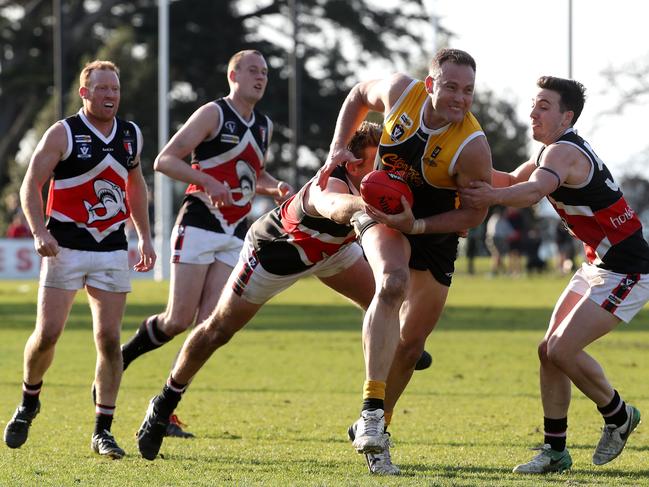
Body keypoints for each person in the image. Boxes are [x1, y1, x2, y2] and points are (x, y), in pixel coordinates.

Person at [136, 122, 411, 473]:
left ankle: (372, 415)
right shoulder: (328, 185)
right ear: (355, 166)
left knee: (390, 306)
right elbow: (335, 206)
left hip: (332, 253)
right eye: (378, 163)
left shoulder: (367, 178)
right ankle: (163, 403)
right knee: (217, 330)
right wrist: (368, 207)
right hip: (275, 254)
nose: (385, 171)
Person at [460, 76, 649, 473]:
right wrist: (452, 167)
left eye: (544, 106)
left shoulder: (562, 153)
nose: (533, 112)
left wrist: (490, 198)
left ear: (567, 116)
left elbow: (530, 193)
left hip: (628, 268)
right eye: (534, 104)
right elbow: (512, 180)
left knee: (562, 349)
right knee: (548, 351)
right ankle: (555, 451)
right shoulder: (550, 151)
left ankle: (618, 416)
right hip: (599, 264)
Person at [316, 48, 492, 470]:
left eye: (468, 90)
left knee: (411, 347)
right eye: (451, 87)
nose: (460, 98)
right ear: (430, 84)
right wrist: (338, 148)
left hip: (434, 230)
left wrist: (419, 227)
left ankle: (376, 424)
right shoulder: (400, 91)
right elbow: (358, 94)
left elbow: (474, 213)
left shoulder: (472, 145)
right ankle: (373, 414)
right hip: (384, 214)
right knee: (392, 283)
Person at [116, 50, 293, 437]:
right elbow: (165, 160)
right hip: (198, 222)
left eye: (264, 72)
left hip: (234, 233)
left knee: (208, 328)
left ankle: (165, 410)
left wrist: (273, 185)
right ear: (233, 74)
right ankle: (121, 357)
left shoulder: (263, 125)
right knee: (177, 320)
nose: (260, 78)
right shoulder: (214, 113)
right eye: (252, 71)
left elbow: (252, 173)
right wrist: (209, 182)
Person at [3, 60, 156, 458]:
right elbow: (30, 184)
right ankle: (29, 400)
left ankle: (102, 430)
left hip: (110, 249)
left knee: (109, 340)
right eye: (102, 88)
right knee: (47, 334)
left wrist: (144, 236)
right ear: (84, 93)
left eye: (115, 89)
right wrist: (39, 232)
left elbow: (135, 185)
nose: (110, 95)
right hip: (64, 248)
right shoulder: (64, 133)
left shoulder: (130, 135)